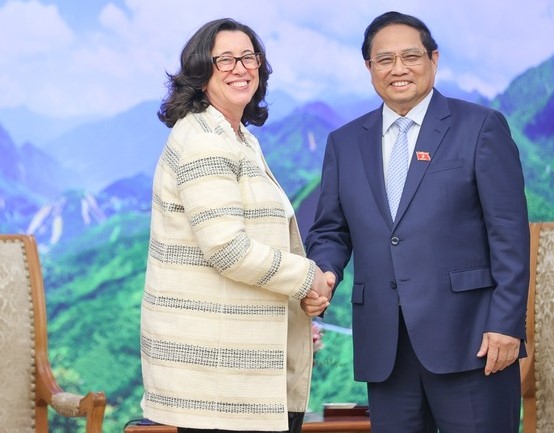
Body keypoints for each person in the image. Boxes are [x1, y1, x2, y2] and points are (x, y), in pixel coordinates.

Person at [303, 11, 530, 433]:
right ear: (369, 67)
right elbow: (331, 230)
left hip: (473, 341)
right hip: (385, 349)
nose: (399, 68)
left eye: (411, 56)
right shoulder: (345, 142)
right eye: (384, 59)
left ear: (434, 59)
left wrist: (505, 324)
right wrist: (325, 273)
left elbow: (510, 237)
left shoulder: (480, 127)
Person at [140, 18, 331, 433]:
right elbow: (228, 249)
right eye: (224, 59)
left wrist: (294, 312)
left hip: (234, 371)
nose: (240, 67)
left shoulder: (238, 136)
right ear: (199, 71)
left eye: (248, 57)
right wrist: (309, 277)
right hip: (214, 378)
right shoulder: (204, 139)